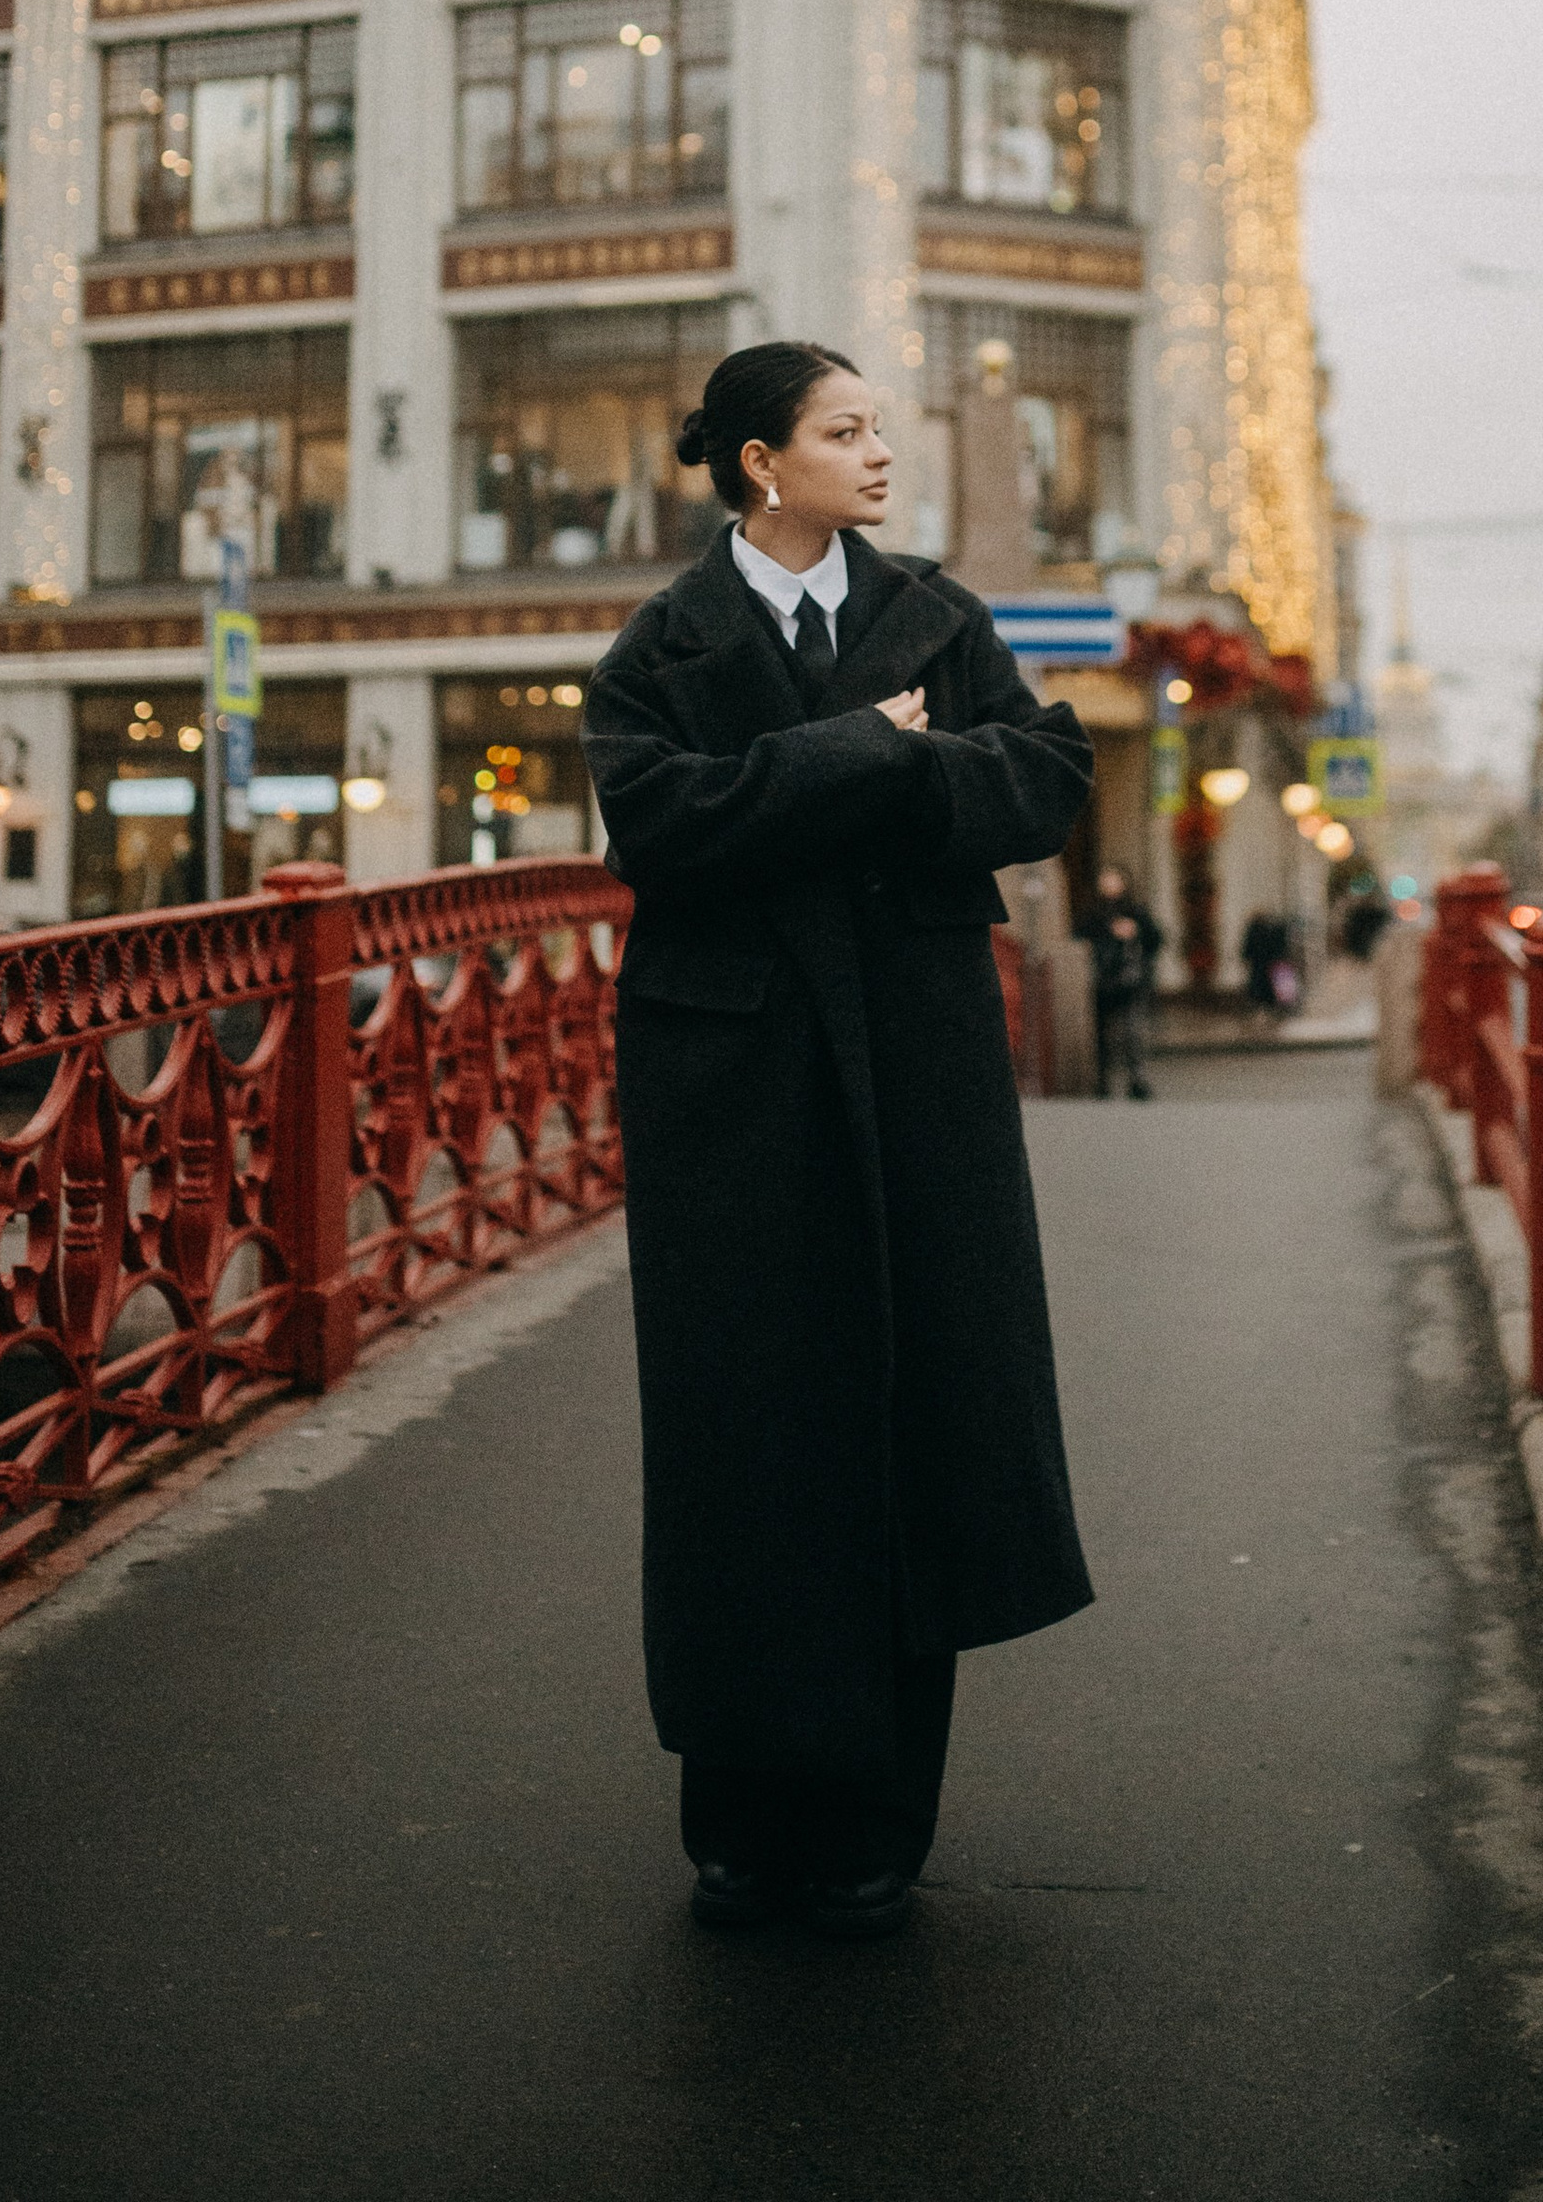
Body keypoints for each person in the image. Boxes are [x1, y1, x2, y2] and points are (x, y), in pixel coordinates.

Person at [584, 340, 1095, 1942]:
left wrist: (857, 766)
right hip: (729, 1093)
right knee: (748, 1447)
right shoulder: (664, 642)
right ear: (757, 462)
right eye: (845, 431)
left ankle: (878, 1817)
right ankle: (740, 1824)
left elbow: (1041, 779)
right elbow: (656, 824)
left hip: (923, 1077)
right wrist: (865, 753)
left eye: (883, 429)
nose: (882, 454)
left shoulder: (937, 615)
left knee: (911, 1423)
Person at [1079, 863, 1160, 1098]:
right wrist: (1107, 932)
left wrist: (1135, 931)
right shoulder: (1092, 912)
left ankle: (1137, 1080)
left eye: (1114, 878)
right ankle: (1102, 1082)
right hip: (1102, 981)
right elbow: (1079, 936)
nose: (1110, 883)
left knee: (1132, 1033)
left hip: (1130, 981)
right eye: (1106, 878)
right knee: (1102, 1034)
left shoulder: (1135, 910)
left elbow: (1155, 940)